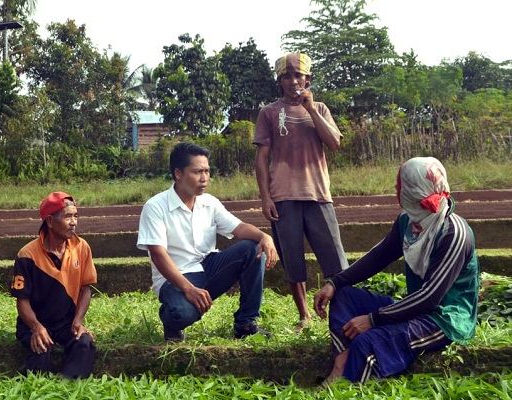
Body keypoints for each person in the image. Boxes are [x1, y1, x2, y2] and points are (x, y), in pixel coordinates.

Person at [313, 157, 479, 383]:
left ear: (412, 191)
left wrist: (373, 319)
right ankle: (341, 366)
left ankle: (346, 387)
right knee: (344, 296)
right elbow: (378, 257)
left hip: (443, 319)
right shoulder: (408, 222)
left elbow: (430, 298)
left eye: (400, 184)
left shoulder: (454, 233)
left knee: (367, 342)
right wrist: (336, 282)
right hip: (415, 308)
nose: (396, 189)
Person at [137, 142, 279, 342]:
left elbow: (239, 228)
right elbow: (159, 256)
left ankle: (246, 323)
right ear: (178, 173)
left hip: (209, 268)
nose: (204, 178)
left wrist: (265, 237)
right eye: (197, 172)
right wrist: (189, 289)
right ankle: (171, 321)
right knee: (181, 314)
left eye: (207, 171)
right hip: (176, 278)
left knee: (252, 247)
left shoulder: (209, 202)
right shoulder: (155, 207)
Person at [253, 52, 348, 331]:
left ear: (308, 79)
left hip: (318, 194)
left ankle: (341, 313)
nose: (293, 81)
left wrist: (310, 109)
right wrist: (265, 197)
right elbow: (261, 158)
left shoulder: (320, 108)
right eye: (287, 76)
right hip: (283, 197)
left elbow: (334, 143)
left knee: (335, 259)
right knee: (292, 260)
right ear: (279, 81)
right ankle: (304, 315)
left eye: (299, 75)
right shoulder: (269, 113)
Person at [11, 192, 97, 378]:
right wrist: (36, 327)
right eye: (67, 216)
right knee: (41, 353)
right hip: (35, 322)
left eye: (76, 216)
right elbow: (22, 301)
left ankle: (68, 387)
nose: (73, 222)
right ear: (50, 221)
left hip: (66, 322)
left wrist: (78, 322)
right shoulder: (27, 255)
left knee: (84, 344)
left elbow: (85, 289)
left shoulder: (82, 248)